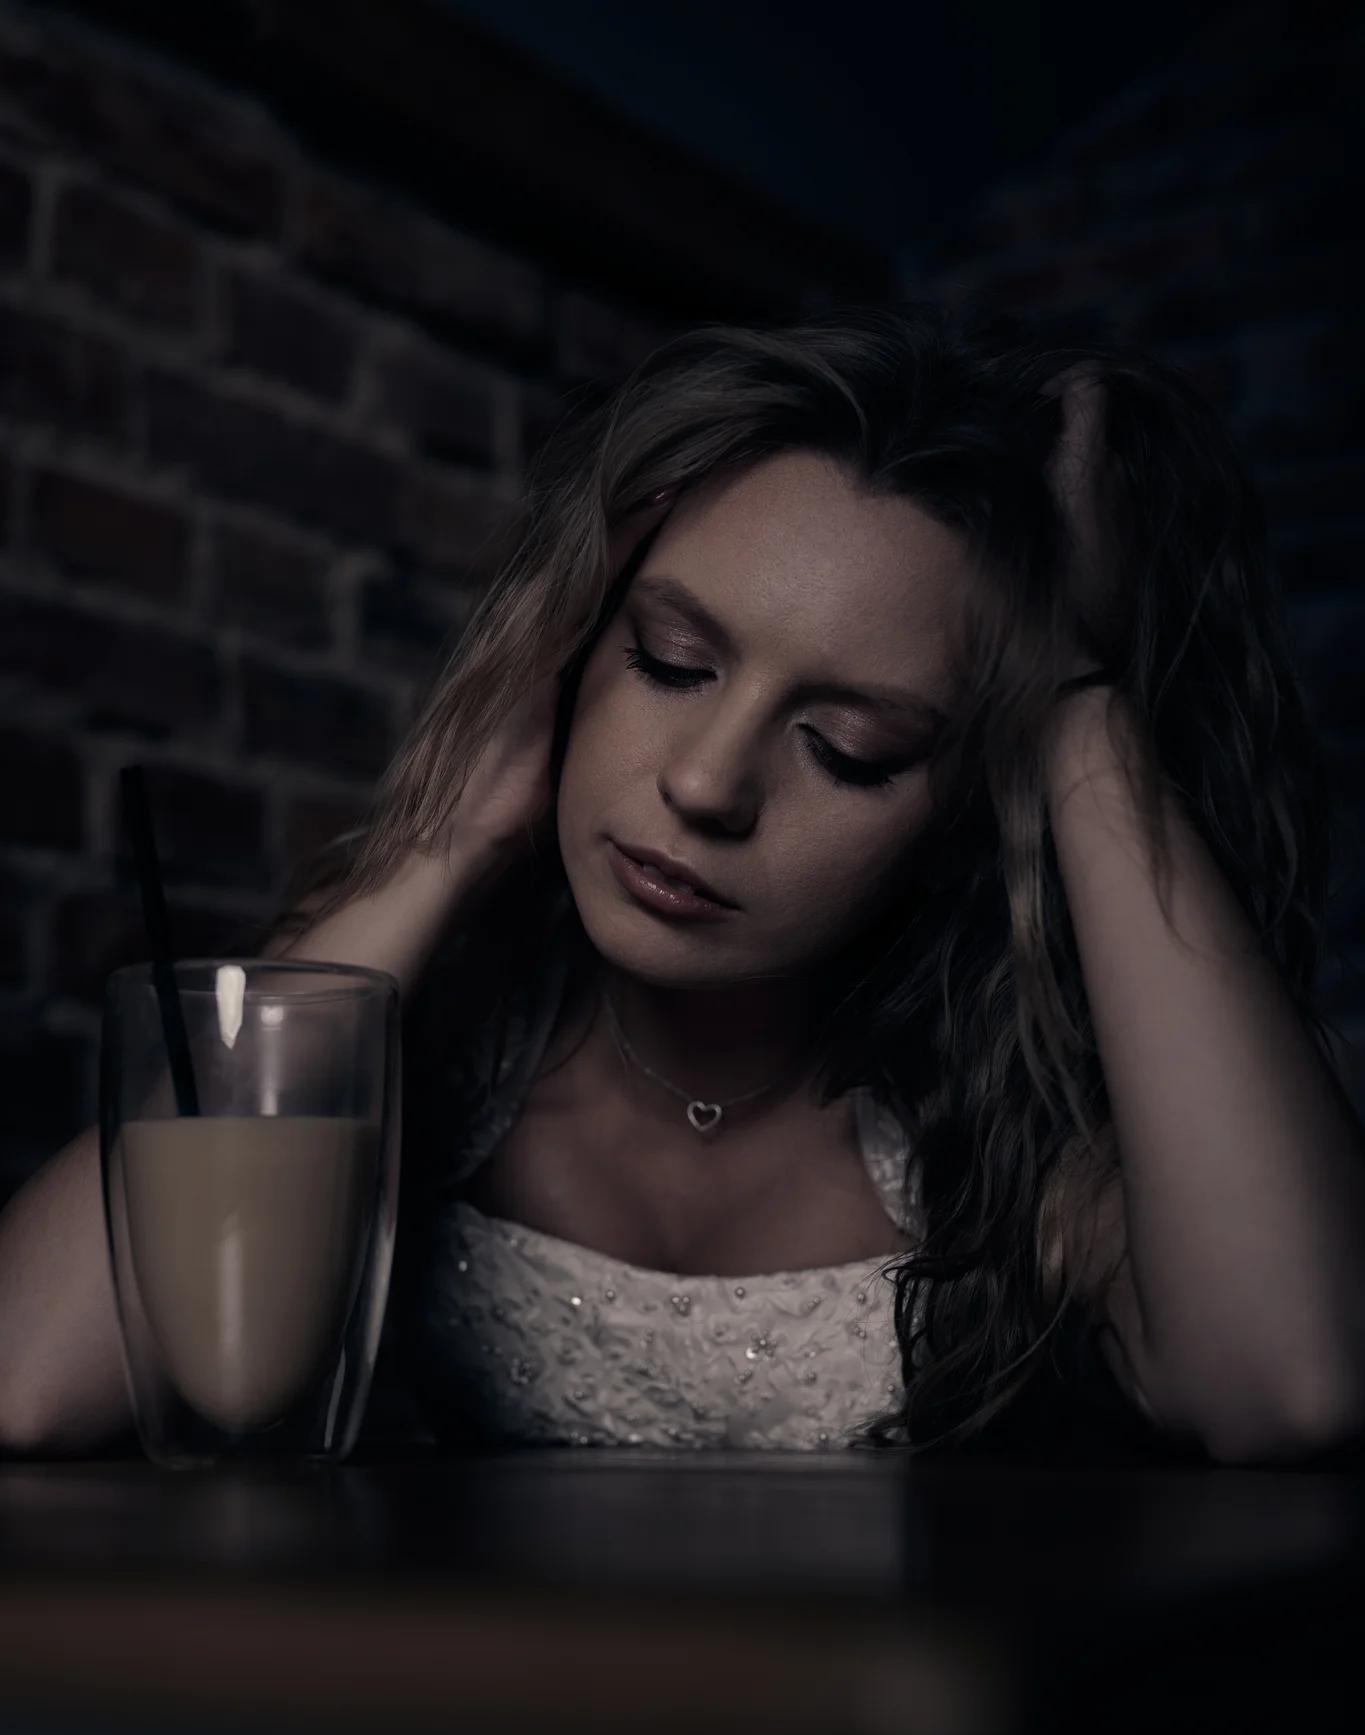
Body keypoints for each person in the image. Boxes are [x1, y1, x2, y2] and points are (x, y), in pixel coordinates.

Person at [2, 301, 1362, 1461]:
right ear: (579, 651)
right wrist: (448, 841)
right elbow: (30, 1377)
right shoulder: (437, 1057)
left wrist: (1078, 706)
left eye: (850, 748)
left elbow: (1292, 1381)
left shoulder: (1014, 1144)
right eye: (668, 663)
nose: (708, 784)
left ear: (961, 819)